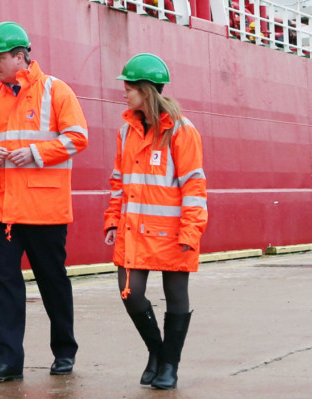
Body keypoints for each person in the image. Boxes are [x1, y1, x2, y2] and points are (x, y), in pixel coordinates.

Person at [0, 21, 89, 382]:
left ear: (20, 57)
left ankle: (64, 351)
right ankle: (8, 362)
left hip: (44, 210)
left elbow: (77, 137)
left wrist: (35, 153)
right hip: (4, 210)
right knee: (7, 285)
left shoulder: (56, 91)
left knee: (52, 281)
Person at [103, 53, 208, 390]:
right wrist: (111, 221)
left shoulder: (181, 131)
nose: (124, 93)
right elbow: (118, 181)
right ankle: (157, 352)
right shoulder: (125, 132)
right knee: (129, 293)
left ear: (146, 91)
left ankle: (169, 367)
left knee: (176, 295)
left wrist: (192, 230)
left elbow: (193, 183)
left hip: (174, 232)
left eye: (129, 87)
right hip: (134, 230)